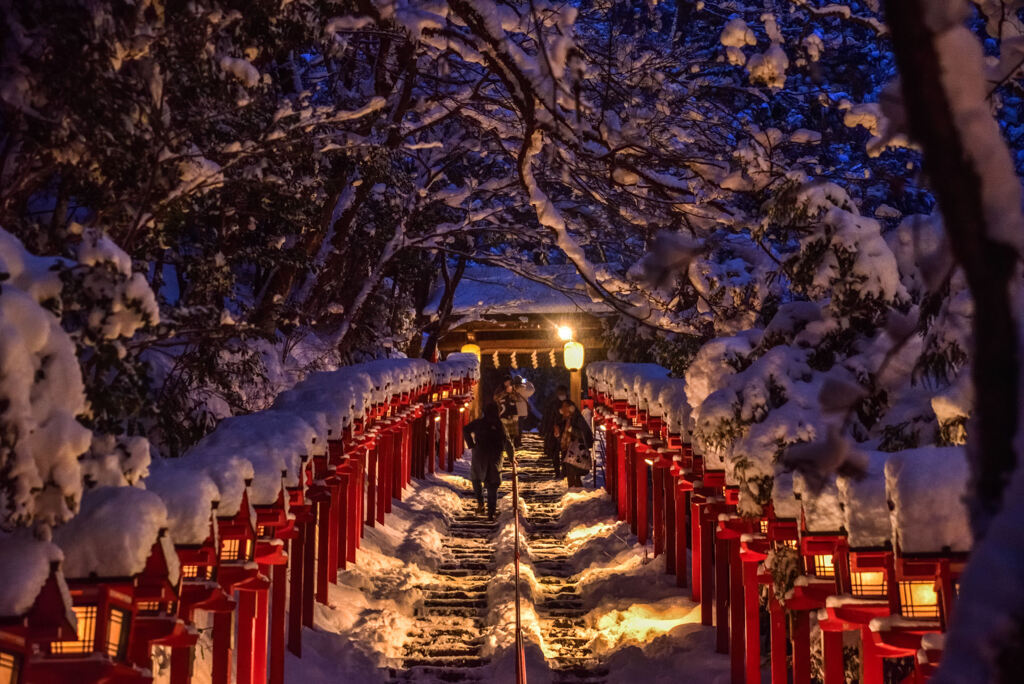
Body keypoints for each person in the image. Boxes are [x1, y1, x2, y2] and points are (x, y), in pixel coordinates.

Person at [463, 403, 515, 520]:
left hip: (479, 455)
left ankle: (481, 504)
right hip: (495, 457)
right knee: (493, 484)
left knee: (476, 479)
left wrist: (471, 444)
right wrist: (512, 458)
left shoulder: (479, 423)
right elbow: (507, 442)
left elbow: (465, 429)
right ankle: (491, 512)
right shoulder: (500, 425)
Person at [556, 400, 594, 488]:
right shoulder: (564, 420)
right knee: (572, 476)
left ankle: (575, 494)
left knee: (574, 476)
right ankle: (574, 492)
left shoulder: (577, 419)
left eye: (565, 407)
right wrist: (557, 434)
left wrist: (571, 429)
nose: (563, 409)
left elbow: (583, 434)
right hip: (568, 451)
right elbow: (563, 437)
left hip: (576, 452)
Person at [492, 375, 535, 447]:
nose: (508, 383)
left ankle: (512, 442)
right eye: (507, 382)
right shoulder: (501, 388)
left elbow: (513, 398)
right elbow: (532, 389)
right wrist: (526, 382)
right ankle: (512, 442)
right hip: (511, 411)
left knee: (512, 428)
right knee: (512, 428)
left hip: (512, 411)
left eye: (509, 382)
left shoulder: (514, 388)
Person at [541, 384, 571, 478]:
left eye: (563, 393)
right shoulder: (553, 404)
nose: (561, 395)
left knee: (565, 453)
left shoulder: (569, 404)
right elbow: (548, 417)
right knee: (555, 452)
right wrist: (547, 429)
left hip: (565, 431)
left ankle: (564, 471)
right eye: (560, 393)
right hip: (554, 430)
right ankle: (557, 471)